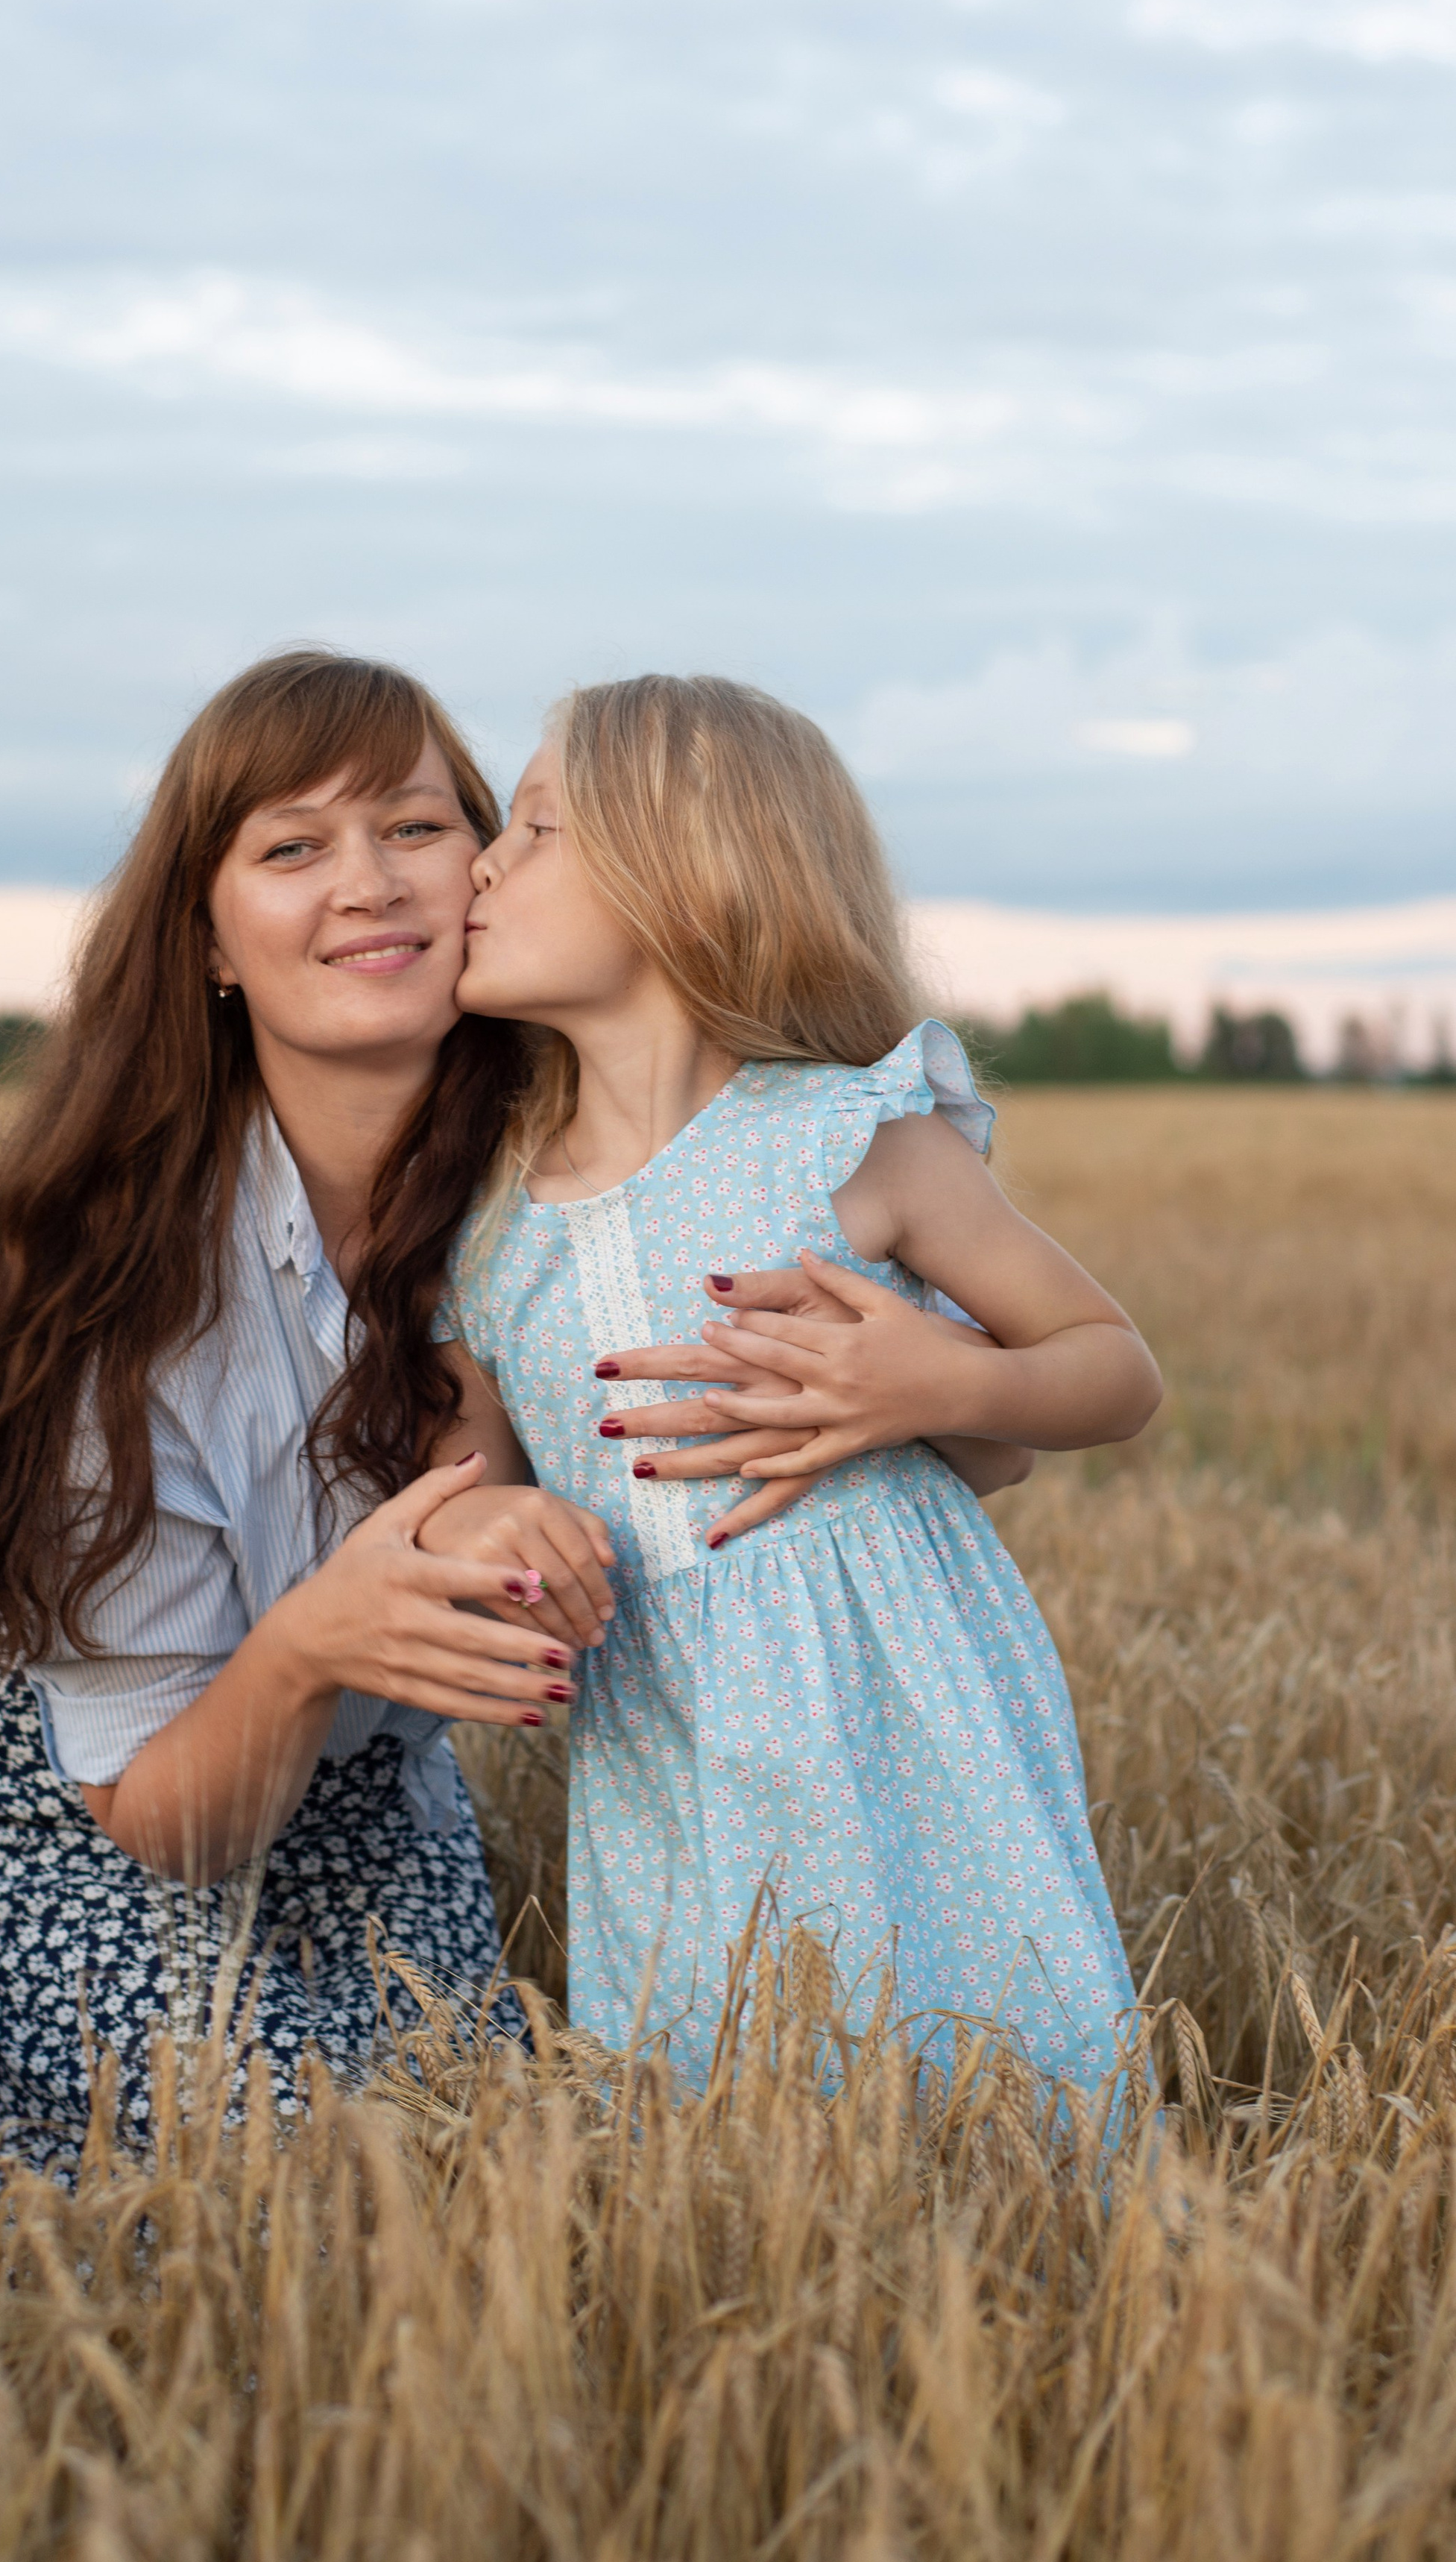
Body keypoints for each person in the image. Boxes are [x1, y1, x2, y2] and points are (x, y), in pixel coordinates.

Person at [0, 651, 1046, 2175]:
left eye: (415, 826)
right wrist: (312, 1642)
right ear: (208, 942)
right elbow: (166, 1818)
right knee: (297, 2203)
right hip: (77, 1802)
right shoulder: (128, 1310)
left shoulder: (586, 1174)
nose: (370, 881)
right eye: (292, 847)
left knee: (526, 2176)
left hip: (356, 1788)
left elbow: (984, 1443)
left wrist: (897, 1387)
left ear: (492, 869)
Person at [436, 673, 1162, 2100]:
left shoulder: (844, 1137)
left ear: (688, 880)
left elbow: (1112, 1370)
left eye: (534, 829)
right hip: (664, 1726)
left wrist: (934, 1381)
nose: (481, 864)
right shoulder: (488, 1225)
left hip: (895, 1683)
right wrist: (480, 1537)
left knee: (986, 2056)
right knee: (724, 2087)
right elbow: (464, 1492)